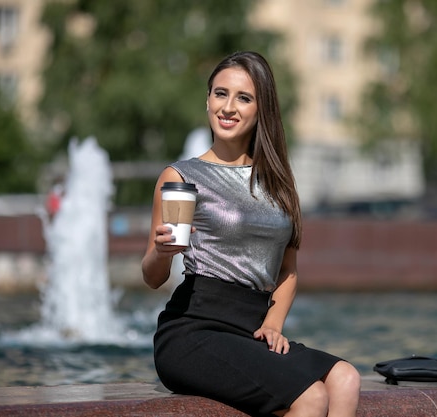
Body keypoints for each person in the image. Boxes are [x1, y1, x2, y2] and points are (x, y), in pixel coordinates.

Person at [141, 51, 360, 417]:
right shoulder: (180, 177)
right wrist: (163, 254)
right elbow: (151, 276)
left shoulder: (278, 183)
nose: (228, 107)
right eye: (220, 93)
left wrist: (273, 324)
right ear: (207, 100)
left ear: (262, 110)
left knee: (347, 379)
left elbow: (287, 270)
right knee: (311, 398)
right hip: (194, 330)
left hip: (252, 331)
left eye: (243, 98)